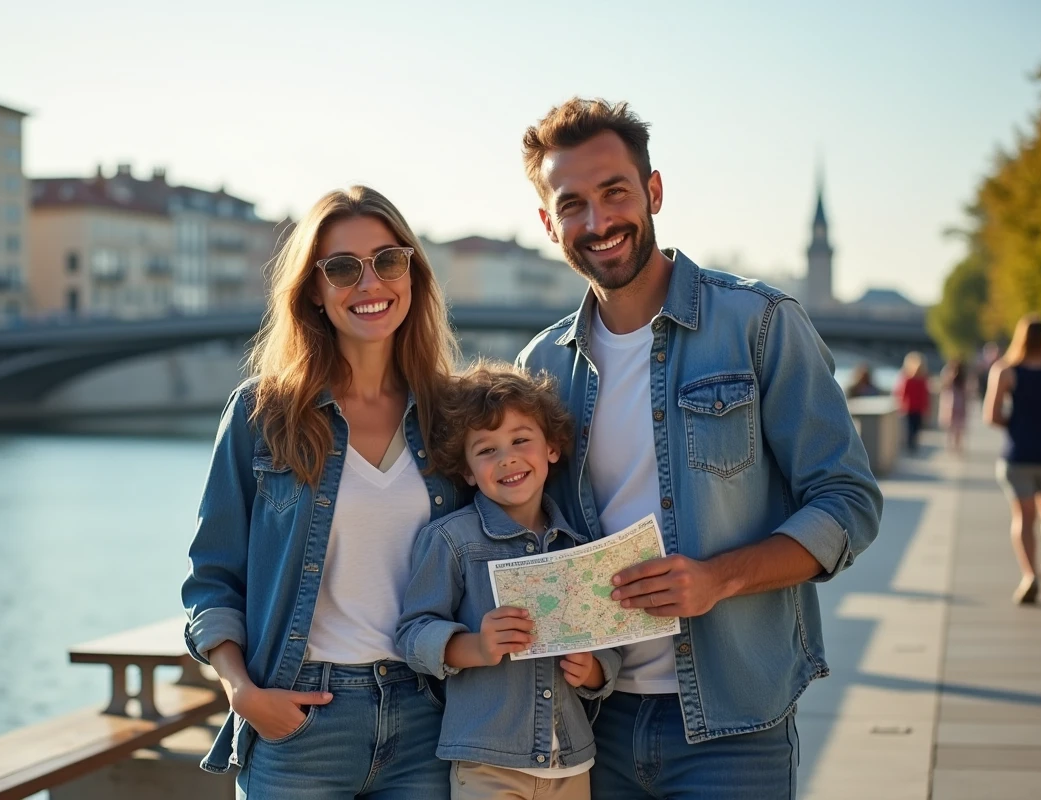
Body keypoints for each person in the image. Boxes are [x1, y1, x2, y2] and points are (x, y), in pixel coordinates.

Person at [514, 98, 883, 799]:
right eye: (572, 204)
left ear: (653, 191)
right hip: (594, 721)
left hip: (735, 726)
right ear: (547, 222)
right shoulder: (542, 367)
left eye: (615, 192)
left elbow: (848, 502)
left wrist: (719, 578)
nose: (598, 223)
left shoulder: (760, 324)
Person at [181, 185, 464, 799]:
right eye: (342, 268)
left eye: (388, 260)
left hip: (428, 719)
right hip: (300, 720)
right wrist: (242, 693)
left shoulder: (452, 415)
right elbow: (213, 576)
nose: (370, 283)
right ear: (313, 288)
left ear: (412, 271)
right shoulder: (263, 414)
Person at [397, 362, 621, 800]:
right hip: (487, 761)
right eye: (486, 450)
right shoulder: (450, 541)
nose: (508, 459)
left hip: (572, 761)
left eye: (521, 440)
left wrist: (594, 670)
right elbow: (412, 635)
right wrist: (477, 646)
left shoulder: (577, 547)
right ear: (466, 470)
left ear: (552, 449)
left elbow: (609, 641)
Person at [983, 314, 1041, 605]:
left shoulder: (1006, 370)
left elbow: (992, 415)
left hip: (1018, 454)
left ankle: (1029, 575)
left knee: (1023, 517)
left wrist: (1017, 424)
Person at [893, 352, 931, 454]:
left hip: (913, 408)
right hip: (912, 408)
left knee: (914, 428)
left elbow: (901, 394)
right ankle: (911, 445)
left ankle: (911, 445)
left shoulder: (913, 380)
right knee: (913, 428)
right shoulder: (919, 380)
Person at [938, 358, 969, 453]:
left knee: (957, 427)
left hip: (956, 403)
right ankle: (952, 446)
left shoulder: (962, 378)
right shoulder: (949, 375)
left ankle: (956, 446)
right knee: (952, 426)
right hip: (951, 403)